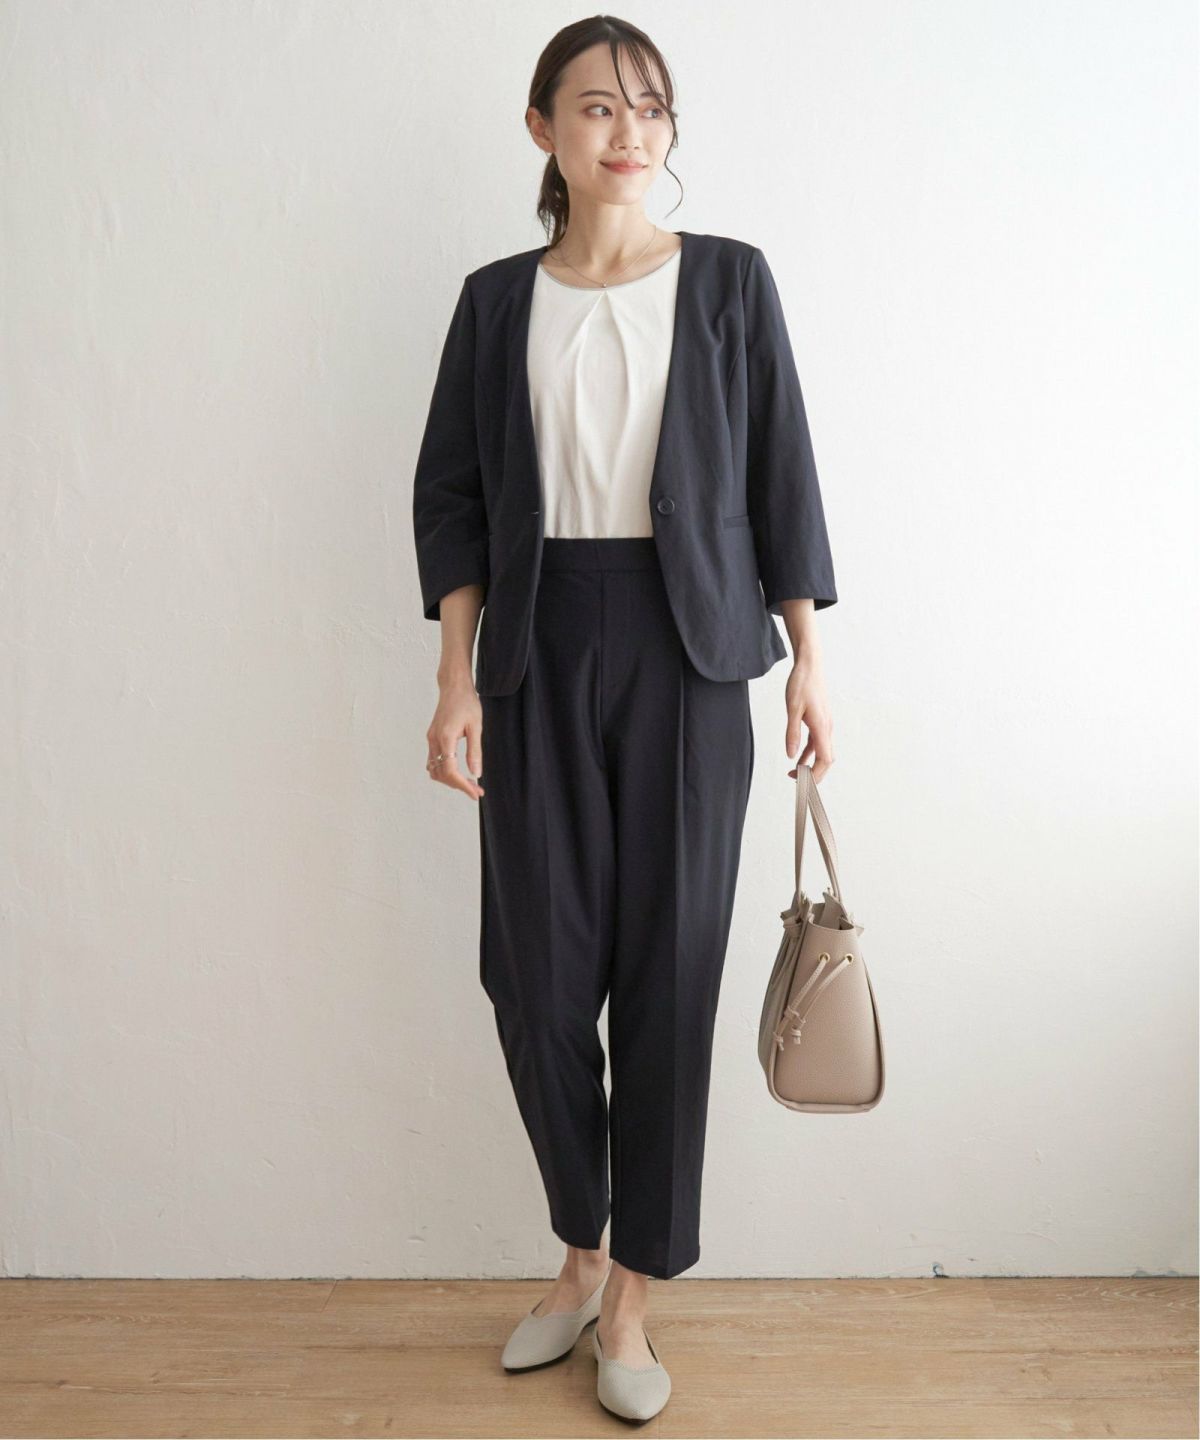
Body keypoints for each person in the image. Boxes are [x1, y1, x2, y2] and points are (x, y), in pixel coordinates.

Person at [411, 17, 837, 1424]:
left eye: (649, 106)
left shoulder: (728, 282)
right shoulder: (494, 304)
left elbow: (783, 476)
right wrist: (455, 676)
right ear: (543, 127)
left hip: (692, 652)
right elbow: (454, 496)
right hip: (537, 649)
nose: (629, 130)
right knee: (533, 981)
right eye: (596, 107)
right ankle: (579, 1247)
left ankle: (633, 1291)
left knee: (669, 974)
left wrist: (808, 660)